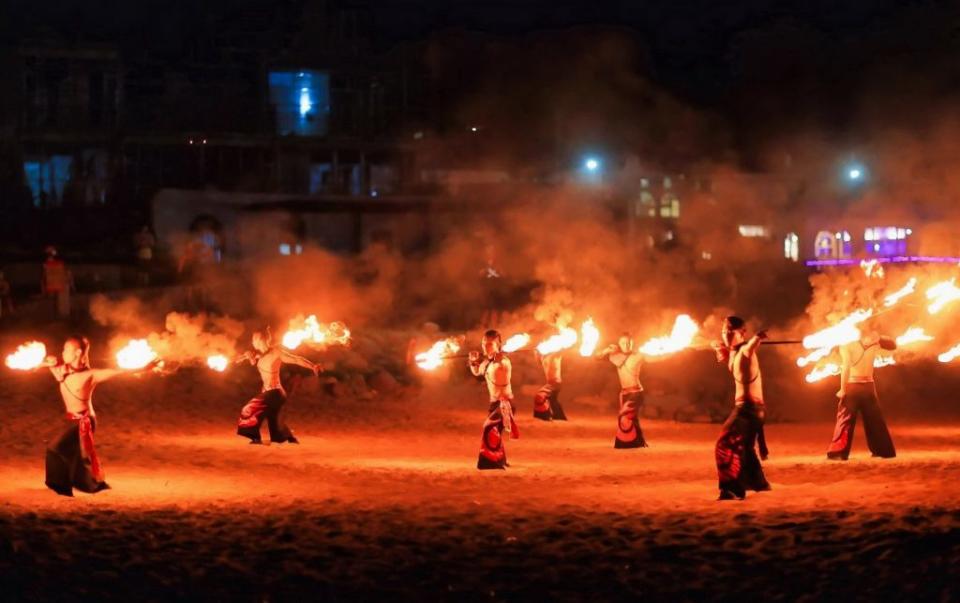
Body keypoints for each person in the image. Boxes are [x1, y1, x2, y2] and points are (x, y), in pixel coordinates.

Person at [41, 336, 156, 496]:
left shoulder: (91, 374)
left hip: (84, 420)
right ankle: (84, 483)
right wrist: (48, 361)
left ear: (78, 352)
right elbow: (39, 365)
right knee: (73, 453)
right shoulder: (61, 369)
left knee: (55, 448)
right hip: (70, 419)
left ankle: (62, 486)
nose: (63, 352)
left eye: (66, 349)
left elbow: (117, 372)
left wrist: (143, 368)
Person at [713, 316, 771, 500]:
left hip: (748, 410)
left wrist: (758, 338)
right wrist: (722, 351)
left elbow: (750, 347)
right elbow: (735, 362)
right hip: (749, 409)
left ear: (742, 333)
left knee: (724, 444)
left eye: (731, 331)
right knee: (745, 447)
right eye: (724, 331)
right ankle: (759, 483)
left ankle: (732, 488)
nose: (726, 334)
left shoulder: (746, 350)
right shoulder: (734, 354)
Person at [235, 328, 321, 445]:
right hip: (269, 392)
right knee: (273, 418)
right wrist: (247, 357)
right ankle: (289, 438)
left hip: (275, 392)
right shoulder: (259, 354)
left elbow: (296, 359)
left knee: (249, 409)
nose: (252, 342)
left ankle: (255, 437)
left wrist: (313, 366)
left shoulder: (276, 352)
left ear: (261, 340)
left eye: (254, 339)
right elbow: (250, 361)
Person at [826, 330, 897, 460]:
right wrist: (879, 337)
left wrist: (842, 389)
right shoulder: (872, 345)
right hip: (866, 387)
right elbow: (893, 345)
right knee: (873, 420)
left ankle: (839, 453)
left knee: (847, 420)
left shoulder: (848, 345)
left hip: (855, 386)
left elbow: (846, 367)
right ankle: (883, 451)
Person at [470, 329, 519, 469]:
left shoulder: (505, 362)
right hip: (494, 404)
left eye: (490, 344)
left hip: (505, 403)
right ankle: (501, 459)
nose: (486, 346)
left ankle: (491, 462)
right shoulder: (486, 362)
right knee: (495, 431)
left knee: (489, 428)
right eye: (484, 343)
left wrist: (500, 360)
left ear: (498, 345)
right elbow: (478, 372)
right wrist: (473, 361)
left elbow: (502, 368)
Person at [597, 333, 649, 448]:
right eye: (623, 342)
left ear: (633, 342)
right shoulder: (615, 356)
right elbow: (597, 357)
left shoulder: (639, 356)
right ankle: (639, 442)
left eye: (629, 342)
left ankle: (626, 444)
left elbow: (657, 356)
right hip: (624, 393)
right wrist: (606, 350)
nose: (626, 344)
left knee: (624, 417)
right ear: (619, 344)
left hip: (636, 392)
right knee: (632, 418)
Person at [533, 349, 568, 421]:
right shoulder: (544, 358)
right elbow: (538, 359)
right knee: (553, 400)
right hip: (550, 383)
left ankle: (544, 416)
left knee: (540, 396)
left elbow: (561, 350)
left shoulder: (555, 356)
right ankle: (559, 417)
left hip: (555, 383)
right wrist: (536, 350)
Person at [41, 246, 71, 319]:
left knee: (59, 300)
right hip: (52, 283)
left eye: (51, 253)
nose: (50, 256)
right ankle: (54, 315)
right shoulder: (47, 264)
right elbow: (44, 275)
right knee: (52, 299)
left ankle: (60, 315)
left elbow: (64, 271)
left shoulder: (58, 263)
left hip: (58, 283)